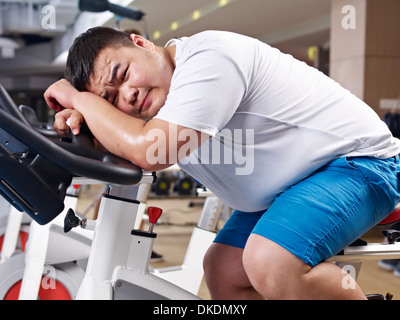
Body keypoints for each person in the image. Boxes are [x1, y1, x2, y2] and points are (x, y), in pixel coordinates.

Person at [44, 27, 400, 300]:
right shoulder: (155, 109)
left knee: (270, 262)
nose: (128, 95)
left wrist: (80, 99)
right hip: (292, 187)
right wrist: (82, 119)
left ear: (141, 43)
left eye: (123, 75)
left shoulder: (209, 59)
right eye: (110, 99)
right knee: (223, 273)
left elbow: (150, 152)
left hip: (358, 162)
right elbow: (128, 141)